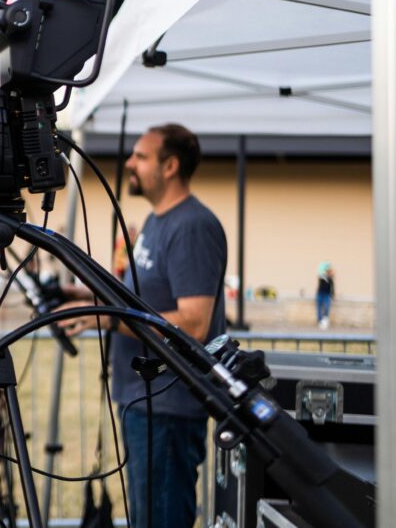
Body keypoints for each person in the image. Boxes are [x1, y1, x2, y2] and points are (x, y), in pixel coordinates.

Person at [60, 123, 227, 528]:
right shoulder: (157, 221)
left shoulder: (192, 226)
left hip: (167, 407)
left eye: (141, 156)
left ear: (170, 166)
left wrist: (109, 319)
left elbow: (194, 323)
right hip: (143, 400)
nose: (130, 163)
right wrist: (85, 296)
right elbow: (145, 300)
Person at [316, 262, 335, 329]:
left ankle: (325, 320)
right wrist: (326, 276)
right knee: (319, 307)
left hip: (327, 294)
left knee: (327, 307)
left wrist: (333, 295)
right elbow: (321, 280)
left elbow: (332, 286)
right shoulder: (322, 277)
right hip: (320, 293)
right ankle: (320, 321)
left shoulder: (330, 278)